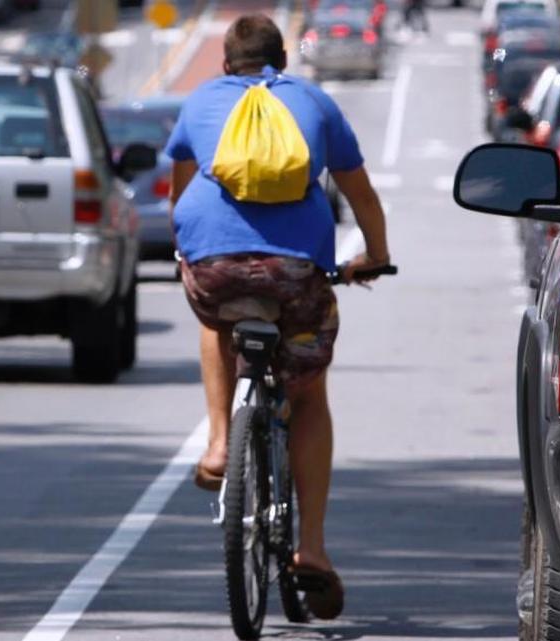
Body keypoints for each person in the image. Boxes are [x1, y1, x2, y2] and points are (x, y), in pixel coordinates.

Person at [165, 13, 391, 621]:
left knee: (215, 324)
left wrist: (188, 251)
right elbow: (361, 193)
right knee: (310, 394)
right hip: (296, 271)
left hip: (212, 264)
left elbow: (180, 191)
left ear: (224, 63)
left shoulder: (200, 102)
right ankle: (311, 548)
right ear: (284, 58)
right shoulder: (313, 102)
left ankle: (218, 443)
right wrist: (376, 256)